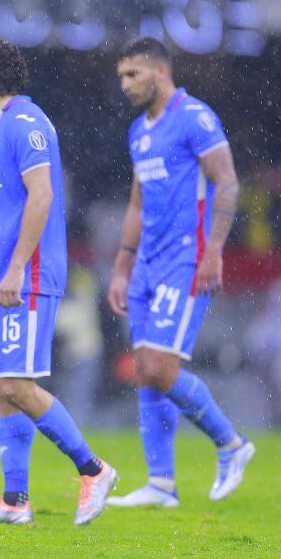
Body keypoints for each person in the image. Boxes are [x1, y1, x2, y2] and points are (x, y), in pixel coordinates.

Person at [0, 37, 117, 526]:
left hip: (30, 277)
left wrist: (19, 268)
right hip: (1, 281)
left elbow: (42, 196)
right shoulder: (2, 134)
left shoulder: (26, 123)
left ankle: (94, 469)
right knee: (5, 388)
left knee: (20, 386)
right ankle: (15, 500)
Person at [105, 37, 254, 508]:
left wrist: (214, 250)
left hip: (185, 259)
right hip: (147, 263)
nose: (125, 85)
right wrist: (122, 267)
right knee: (145, 372)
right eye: (121, 77)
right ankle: (161, 484)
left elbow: (227, 181)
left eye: (133, 75)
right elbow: (136, 200)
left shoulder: (195, 117)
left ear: (160, 72)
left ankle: (231, 444)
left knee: (159, 366)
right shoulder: (138, 131)